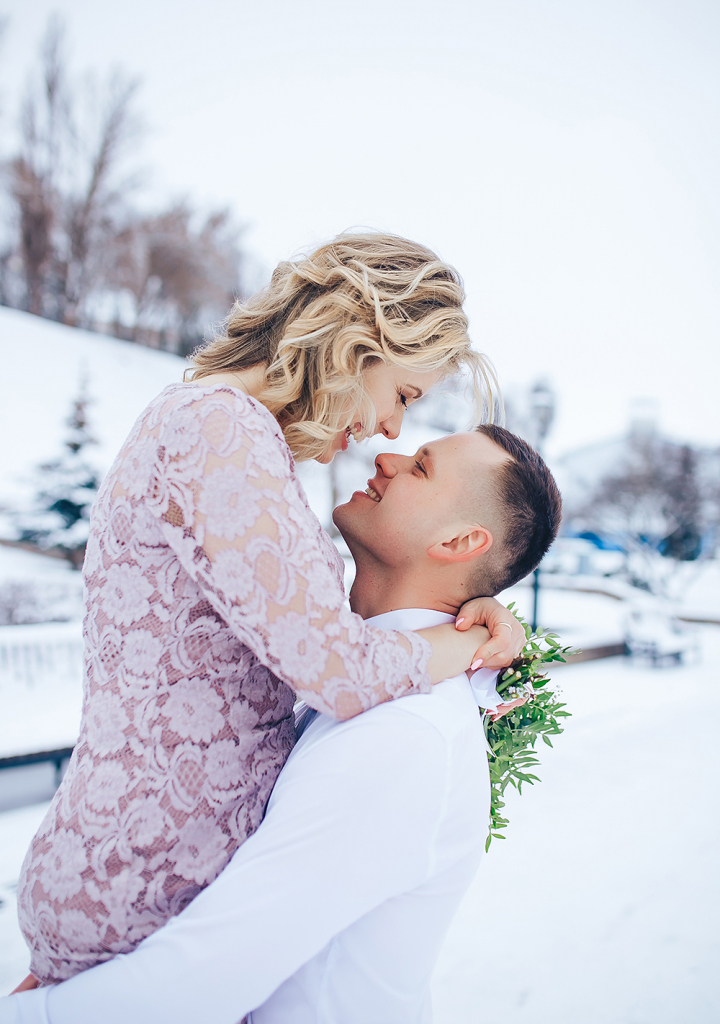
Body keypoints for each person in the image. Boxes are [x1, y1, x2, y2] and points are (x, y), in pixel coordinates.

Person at [11, 233, 525, 988]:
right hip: (137, 890)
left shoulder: (243, 440)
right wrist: (464, 641)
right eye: (405, 395)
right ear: (359, 339)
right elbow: (338, 670)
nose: (390, 428)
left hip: (156, 880)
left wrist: (475, 607)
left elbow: (310, 632)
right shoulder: (218, 429)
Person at [2, 425, 562, 1024]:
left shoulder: (404, 735)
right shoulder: (356, 681)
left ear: (459, 541)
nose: (387, 454)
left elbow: (200, 980)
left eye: (421, 467)